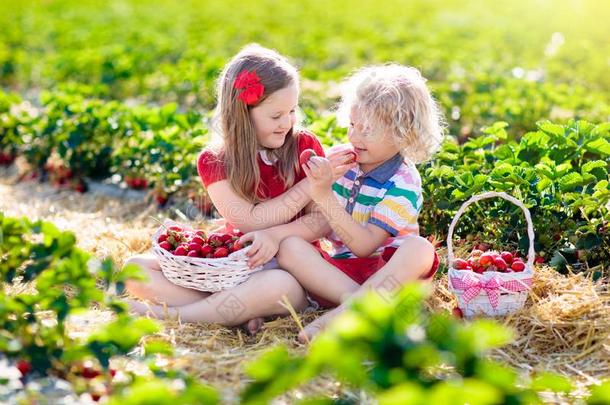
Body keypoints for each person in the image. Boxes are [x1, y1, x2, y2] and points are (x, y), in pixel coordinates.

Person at [123, 44, 355, 333]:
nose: (287, 123)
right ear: (242, 114)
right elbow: (250, 221)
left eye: (292, 111)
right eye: (276, 116)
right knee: (135, 268)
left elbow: (321, 220)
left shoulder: (303, 146)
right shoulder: (214, 161)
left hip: (291, 273)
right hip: (234, 267)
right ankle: (235, 312)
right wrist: (310, 184)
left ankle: (173, 315)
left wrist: (277, 234)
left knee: (275, 285)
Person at [275, 64, 446, 342]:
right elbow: (317, 223)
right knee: (289, 248)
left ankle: (339, 318)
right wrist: (315, 182)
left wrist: (324, 195)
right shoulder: (343, 163)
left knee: (420, 250)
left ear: (402, 133)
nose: (354, 137)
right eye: (352, 125)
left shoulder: (404, 181)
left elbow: (366, 246)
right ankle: (365, 310)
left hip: (389, 274)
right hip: (341, 277)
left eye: (367, 131)